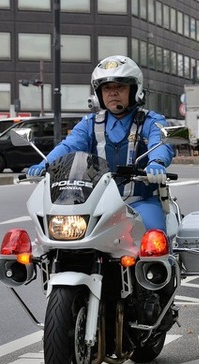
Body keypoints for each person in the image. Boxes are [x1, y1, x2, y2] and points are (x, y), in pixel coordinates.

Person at [27, 55, 174, 232]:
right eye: (106, 88)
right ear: (99, 93)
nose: (112, 92)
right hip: (95, 205)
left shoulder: (151, 121)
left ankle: (164, 260)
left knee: (154, 239)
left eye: (119, 86)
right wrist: (46, 164)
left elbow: (161, 142)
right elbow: (69, 146)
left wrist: (156, 162)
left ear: (134, 89)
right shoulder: (89, 123)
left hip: (139, 201)